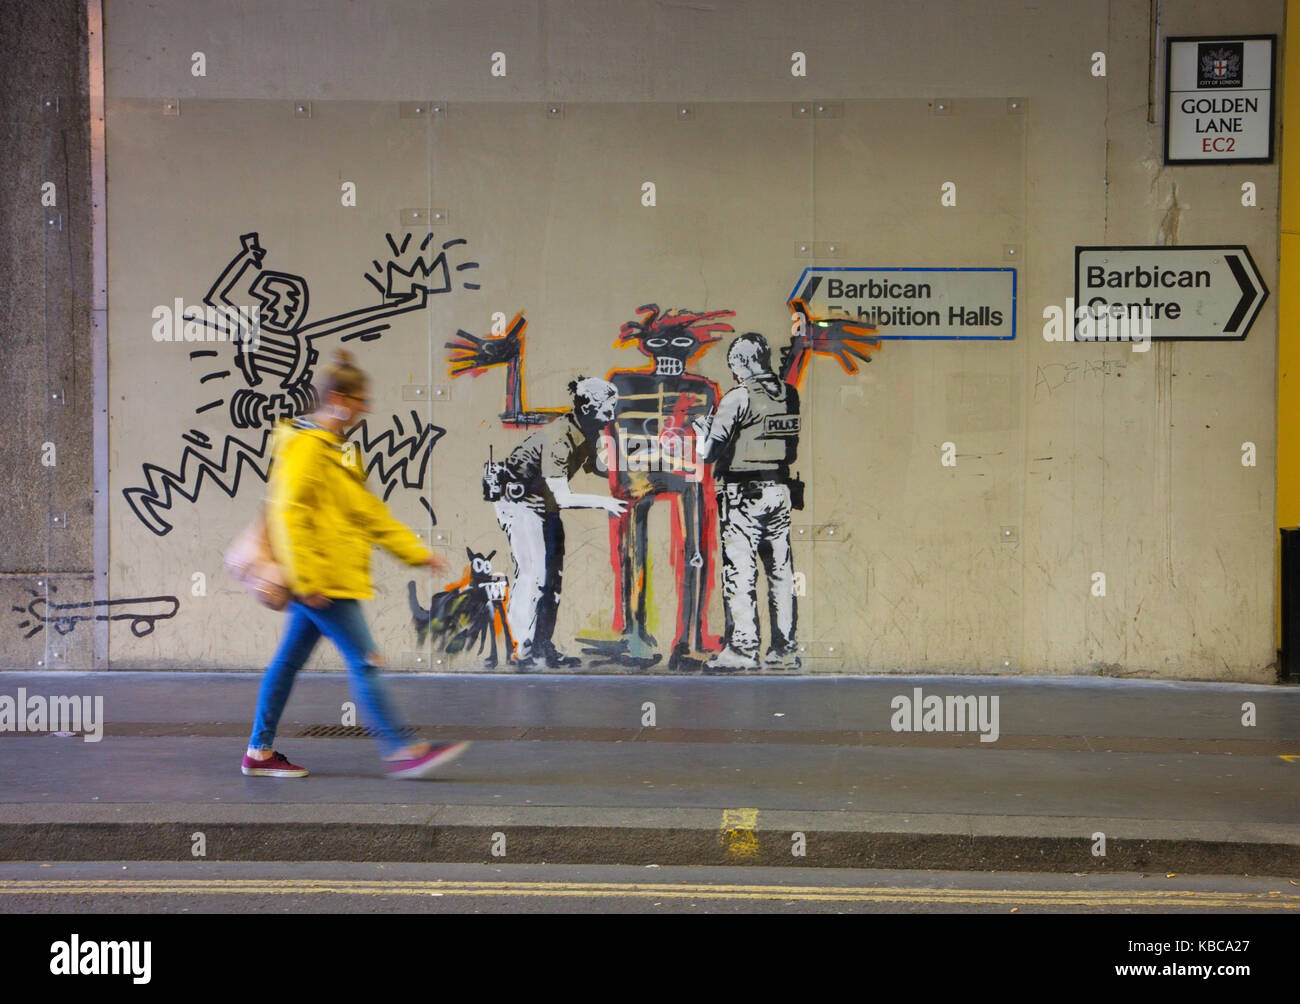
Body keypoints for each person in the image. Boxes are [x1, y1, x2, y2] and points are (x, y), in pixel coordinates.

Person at [244, 349, 468, 779]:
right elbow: (289, 514)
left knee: (287, 663)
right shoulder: (307, 448)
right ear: (339, 399)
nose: (366, 409)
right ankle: (403, 747)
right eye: (361, 400)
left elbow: (367, 514)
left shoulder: (339, 451)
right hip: (323, 583)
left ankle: (258, 751)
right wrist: (305, 579)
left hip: (329, 579)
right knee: (366, 660)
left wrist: (414, 551)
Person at [488, 377, 627, 669]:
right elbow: (562, 496)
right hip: (523, 505)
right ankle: (522, 649)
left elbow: (599, 466)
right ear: (587, 407)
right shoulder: (560, 436)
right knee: (533, 576)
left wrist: (644, 464)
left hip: (544, 507)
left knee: (551, 581)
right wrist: (604, 503)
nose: (611, 416)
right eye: (607, 409)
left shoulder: (588, 431)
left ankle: (541, 647)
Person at [694, 333, 802, 672]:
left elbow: (709, 452)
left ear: (743, 363)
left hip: (744, 495)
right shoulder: (790, 395)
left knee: (740, 574)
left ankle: (743, 649)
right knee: (780, 572)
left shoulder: (737, 398)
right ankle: (784, 649)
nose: (734, 374)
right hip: (779, 490)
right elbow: (791, 448)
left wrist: (702, 431)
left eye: (734, 366)